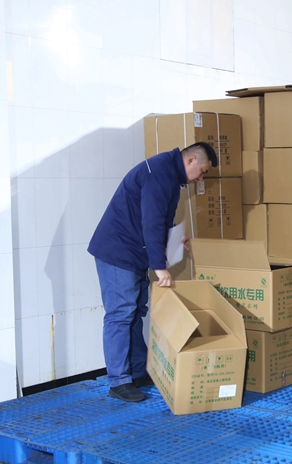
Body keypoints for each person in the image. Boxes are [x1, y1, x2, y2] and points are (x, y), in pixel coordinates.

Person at [88, 142, 218, 402]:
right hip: (118, 251)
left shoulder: (169, 174)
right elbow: (152, 221)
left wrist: (173, 242)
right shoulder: (159, 172)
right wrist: (159, 266)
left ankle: (136, 370)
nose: (201, 178)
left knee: (135, 311)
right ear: (191, 160)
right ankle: (119, 381)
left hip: (133, 252)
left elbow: (161, 221)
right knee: (120, 314)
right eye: (203, 171)